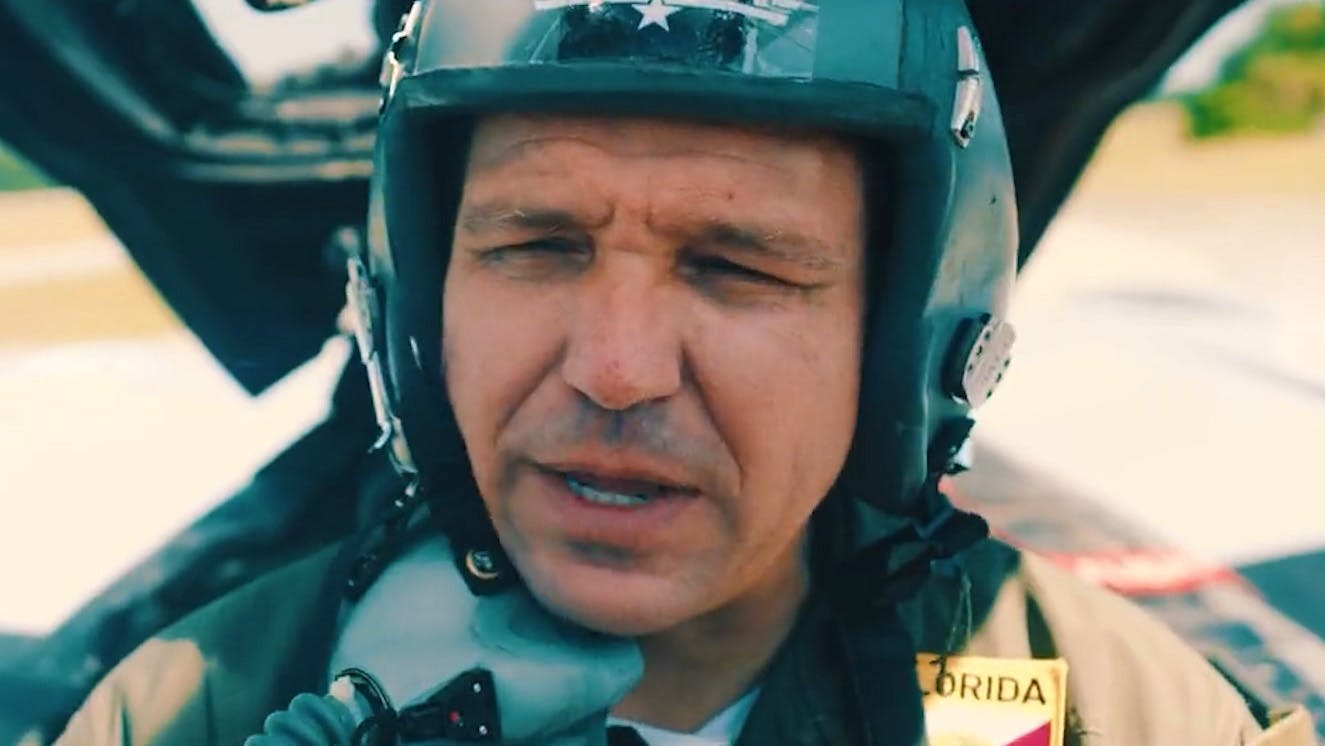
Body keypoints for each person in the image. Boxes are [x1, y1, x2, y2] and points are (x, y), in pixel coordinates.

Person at [52, 0, 1317, 744]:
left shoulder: (1108, 715)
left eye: (737, 267)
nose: (615, 370)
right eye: (535, 245)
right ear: (416, 303)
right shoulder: (187, 713)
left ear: (902, 338)